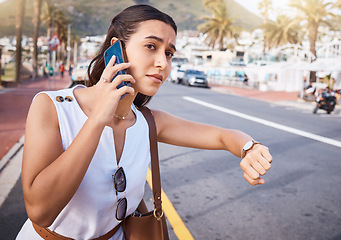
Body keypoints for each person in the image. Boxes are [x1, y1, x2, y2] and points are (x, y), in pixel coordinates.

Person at [16, 5, 272, 240]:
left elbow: (221, 136)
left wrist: (249, 147)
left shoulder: (149, 122)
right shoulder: (53, 106)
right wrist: (97, 120)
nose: (163, 62)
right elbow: (40, 211)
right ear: (117, 48)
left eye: (169, 53)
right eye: (151, 46)